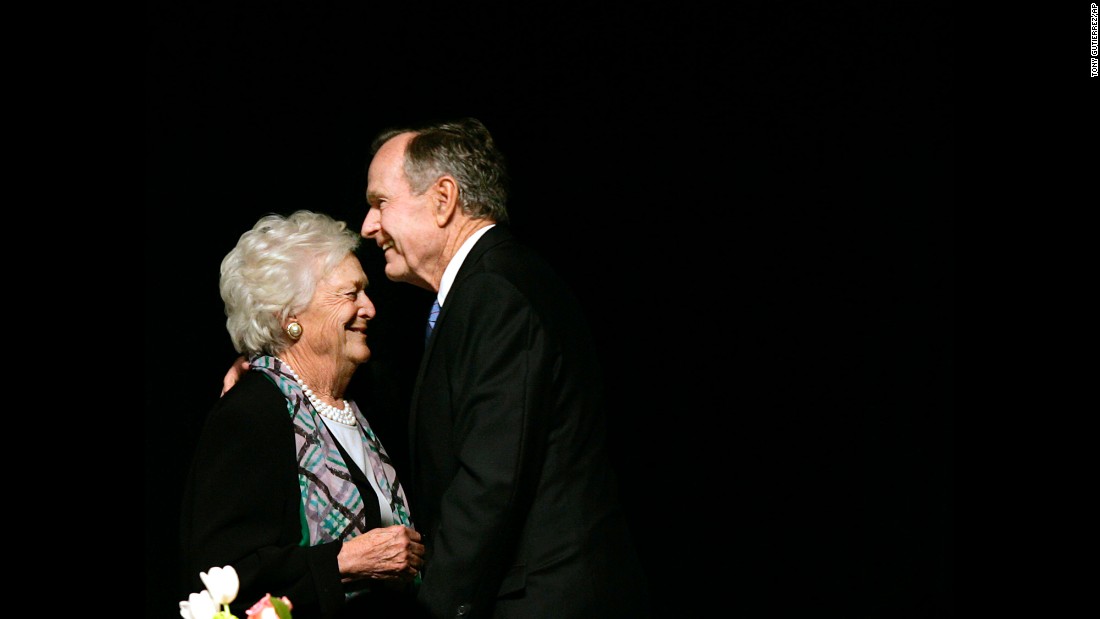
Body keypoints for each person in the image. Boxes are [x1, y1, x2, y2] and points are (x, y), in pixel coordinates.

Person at [360, 118, 651, 618]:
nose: (368, 226)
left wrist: (433, 610)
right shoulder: (487, 286)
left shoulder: (495, 294)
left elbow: (490, 481)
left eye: (379, 203)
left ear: (443, 198)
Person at [182, 210, 427, 619]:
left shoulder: (362, 403)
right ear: (290, 317)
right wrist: (342, 561)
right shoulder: (253, 412)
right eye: (351, 294)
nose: (370, 308)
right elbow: (220, 575)